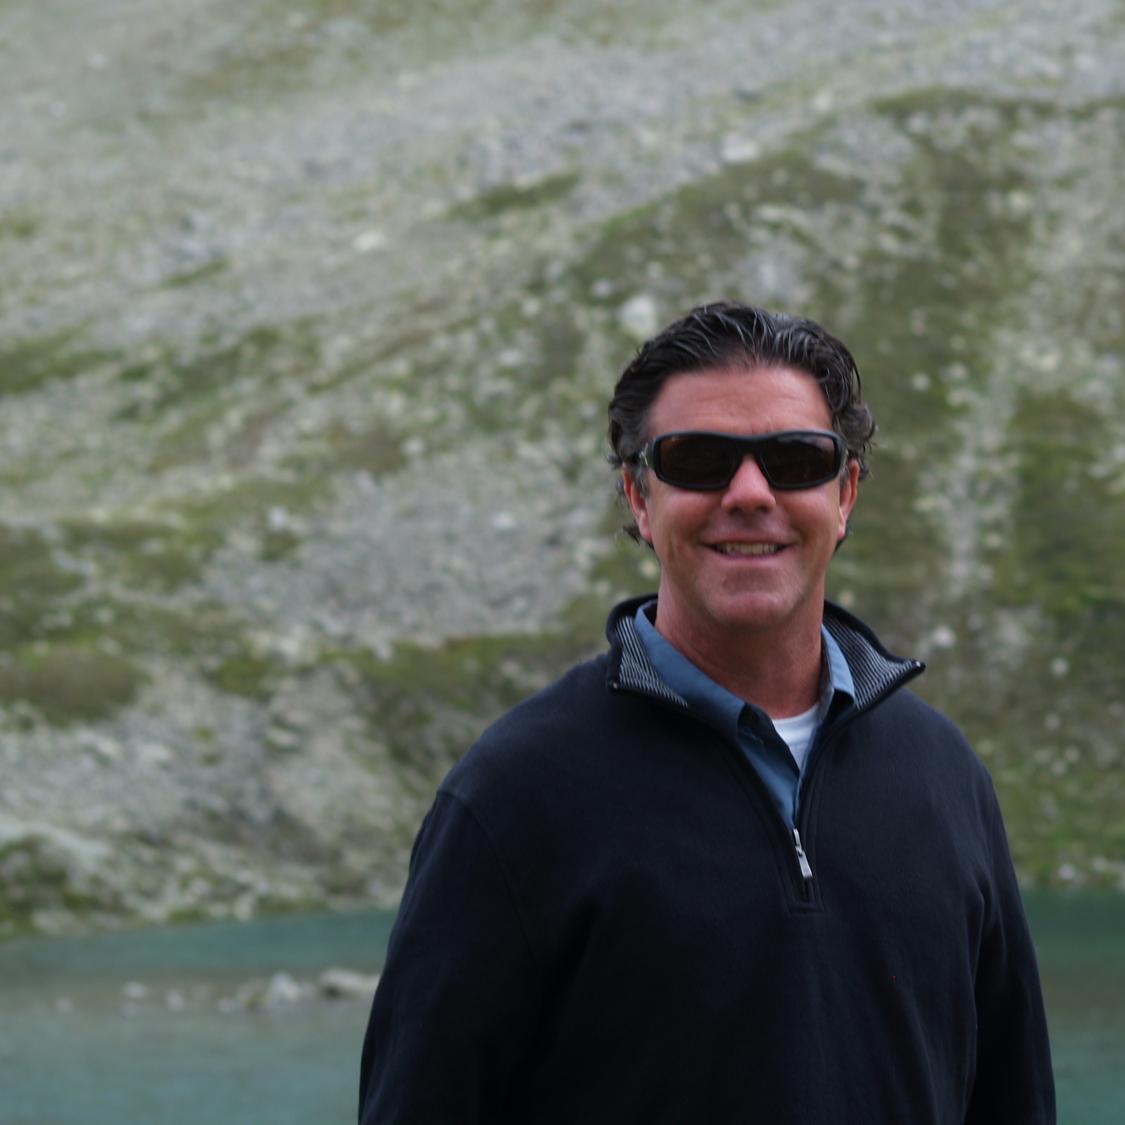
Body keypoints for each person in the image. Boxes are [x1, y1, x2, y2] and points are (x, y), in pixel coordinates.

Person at [358, 301, 1055, 1123]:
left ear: (844, 494)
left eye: (795, 459)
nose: (750, 493)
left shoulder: (943, 776)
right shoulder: (513, 795)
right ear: (639, 497)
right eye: (699, 460)